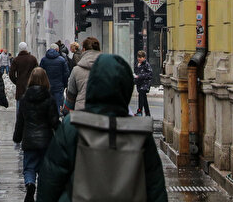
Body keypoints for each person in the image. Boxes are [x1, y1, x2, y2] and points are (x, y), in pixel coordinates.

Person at [35, 54, 167, 202]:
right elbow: (155, 189)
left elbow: (50, 183)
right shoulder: (140, 133)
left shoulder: (72, 127)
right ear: (126, 87)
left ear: (93, 84)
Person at [12, 67, 58, 202]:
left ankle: (30, 183)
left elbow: (20, 121)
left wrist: (17, 137)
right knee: (44, 169)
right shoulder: (49, 98)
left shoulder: (24, 99)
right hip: (46, 140)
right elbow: (54, 121)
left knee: (29, 168)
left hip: (29, 140)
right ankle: (43, 192)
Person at [64, 37, 102, 111]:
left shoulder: (76, 70)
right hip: (102, 114)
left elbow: (71, 97)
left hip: (81, 113)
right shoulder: (107, 68)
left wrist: (66, 111)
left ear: (84, 50)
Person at [39, 45, 71, 111]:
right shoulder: (61, 60)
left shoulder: (44, 60)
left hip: (46, 86)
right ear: (57, 50)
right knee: (58, 105)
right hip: (59, 86)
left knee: (47, 105)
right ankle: (57, 118)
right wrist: (65, 84)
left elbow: (40, 73)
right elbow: (66, 73)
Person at [10, 42, 38, 108]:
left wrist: (17, 81)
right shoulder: (33, 59)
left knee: (20, 108)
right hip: (31, 86)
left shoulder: (16, 60)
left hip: (20, 87)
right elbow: (37, 71)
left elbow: (11, 74)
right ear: (26, 48)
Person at [134, 50, 153, 117]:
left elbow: (150, 74)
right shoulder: (137, 64)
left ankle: (139, 111)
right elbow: (136, 73)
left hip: (145, 83)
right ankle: (147, 113)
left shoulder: (146, 64)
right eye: (138, 57)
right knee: (143, 98)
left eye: (141, 57)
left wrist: (140, 76)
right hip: (139, 83)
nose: (139, 58)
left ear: (144, 57)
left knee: (141, 95)